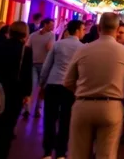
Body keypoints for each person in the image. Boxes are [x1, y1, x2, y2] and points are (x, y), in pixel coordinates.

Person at [65, 13, 124, 158]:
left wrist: (82, 91)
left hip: (83, 104)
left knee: (78, 153)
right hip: (112, 106)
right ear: (117, 29)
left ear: (98, 28)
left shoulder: (83, 49)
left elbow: (68, 81)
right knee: (107, 154)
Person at [0, 21, 33, 159]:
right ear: (25, 33)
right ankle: (2, 154)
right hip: (14, 93)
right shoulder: (26, 51)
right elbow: (26, 74)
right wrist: (27, 94)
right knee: (8, 127)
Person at [40, 20, 85, 159]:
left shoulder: (58, 44)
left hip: (53, 84)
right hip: (70, 88)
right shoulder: (83, 48)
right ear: (77, 31)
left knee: (50, 118)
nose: (84, 32)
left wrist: (42, 83)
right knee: (66, 120)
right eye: (83, 29)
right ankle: (61, 152)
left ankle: (47, 151)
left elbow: (47, 65)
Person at [26, 18, 55, 118]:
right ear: (45, 24)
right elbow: (28, 46)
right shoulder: (34, 35)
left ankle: (36, 109)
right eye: (51, 25)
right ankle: (29, 109)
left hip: (43, 64)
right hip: (36, 64)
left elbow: (27, 47)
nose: (52, 27)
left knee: (39, 88)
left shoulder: (51, 35)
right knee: (34, 87)